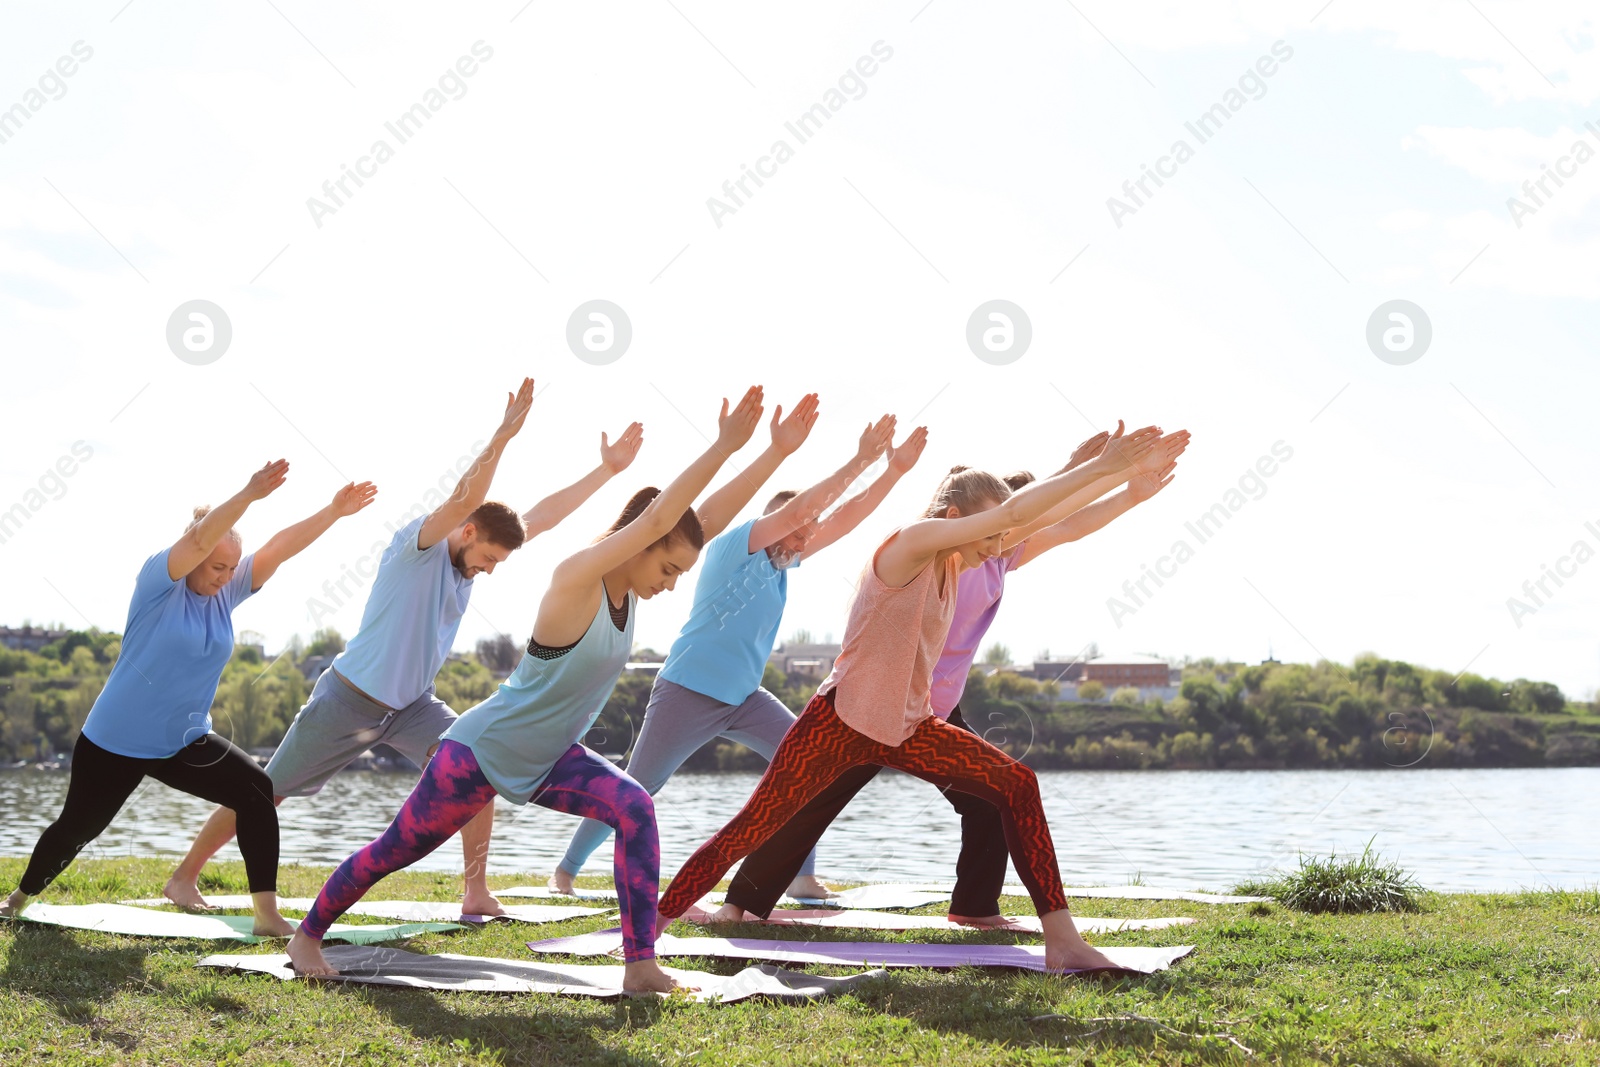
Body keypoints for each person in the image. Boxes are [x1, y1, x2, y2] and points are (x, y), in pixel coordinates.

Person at [285, 387, 766, 992]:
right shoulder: (577, 578)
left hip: (549, 758)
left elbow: (699, 523)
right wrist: (721, 445)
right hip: (479, 752)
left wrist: (768, 453)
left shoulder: (632, 589)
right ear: (642, 542)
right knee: (396, 850)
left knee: (635, 807)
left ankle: (640, 966)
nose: (671, 585)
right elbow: (662, 520)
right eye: (667, 569)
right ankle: (307, 936)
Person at [656, 428, 1165, 972]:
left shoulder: (957, 561)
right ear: (954, 518)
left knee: (1017, 784)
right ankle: (650, 932)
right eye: (988, 534)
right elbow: (1010, 519)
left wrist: (1119, 478)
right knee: (750, 826)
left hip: (911, 726)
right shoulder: (911, 543)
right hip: (838, 724)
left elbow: (1035, 521)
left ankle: (1063, 941)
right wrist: (1101, 467)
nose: (997, 548)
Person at [165, 379, 643, 919]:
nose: (488, 569)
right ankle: (184, 877)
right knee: (266, 790)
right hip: (348, 700)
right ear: (466, 533)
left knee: (477, 767)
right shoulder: (418, 547)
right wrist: (503, 437)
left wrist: (608, 472)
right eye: (487, 557)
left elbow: (545, 514)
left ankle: (475, 891)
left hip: (413, 706)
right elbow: (466, 496)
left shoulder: (475, 555)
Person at [549, 397, 930, 899]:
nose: (807, 535)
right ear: (772, 522)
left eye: (808, 532)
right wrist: (859, 459)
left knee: (808, 762)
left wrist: (892, 472)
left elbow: (843, 520)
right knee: (640, 784)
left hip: (745, 697)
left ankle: (798, 875)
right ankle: (566, 870)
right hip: (687, 690)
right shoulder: (737, 546)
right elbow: (805, 510)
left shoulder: (782, 564)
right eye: (799, 526)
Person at [1, 460, 375, 936]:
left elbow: (279, 549)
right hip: (116, 740)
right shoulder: (159, 583)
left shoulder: (225, 591)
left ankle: (266, 916)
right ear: (193, 557)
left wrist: (333, 511)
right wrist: (247, 493)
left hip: (183, 740)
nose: (225, 576)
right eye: (217, 565)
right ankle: (18, 898)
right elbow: (200, 539)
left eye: (231, 567)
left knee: (258, 791)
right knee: (78, 829)